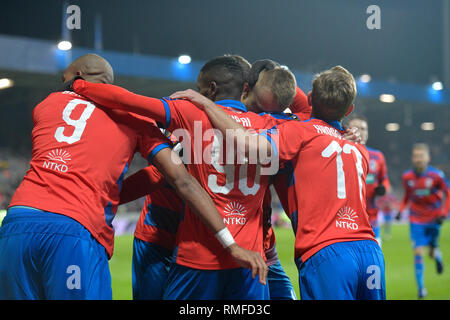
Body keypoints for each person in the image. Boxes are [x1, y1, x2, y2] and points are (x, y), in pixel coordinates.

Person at [0, 54, 266, 300]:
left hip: (17, 224)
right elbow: (180, 179)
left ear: (78, 76)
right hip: (75, 229)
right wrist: (230, 244)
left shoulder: (47, 104)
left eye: (66, 80)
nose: (64, 85)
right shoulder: (136, 118)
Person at [171, 65, 386, 300]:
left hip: (321, 249)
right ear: (350, 109)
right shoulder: (358, 148)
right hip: (370, 249)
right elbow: (317, 106)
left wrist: (204, 103)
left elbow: (248, 144)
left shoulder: (292, 130)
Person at [397, 143, 449, 298]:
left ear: (428, 158)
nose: (418, 159)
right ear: (412, 158)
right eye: (416, 156)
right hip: (416, 219)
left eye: (421, 156)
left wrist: (444, 213)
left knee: (431, 253)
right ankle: (421, 289)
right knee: (418, 251)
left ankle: (438, 256)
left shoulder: (437, 175)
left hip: (434, 219)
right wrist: (401, 210)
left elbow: (448, 193)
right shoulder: (407, 177)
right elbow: (407, 195)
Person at [347, 114, 390, 246]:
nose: (360, 132)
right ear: (348, 130)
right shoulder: (340, 152)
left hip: (372, 217)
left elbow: (385, 180)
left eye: (363, 128)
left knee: (375, 259)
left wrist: (383, 188)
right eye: (356, 128)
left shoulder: (377, 157)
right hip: (348, 217)